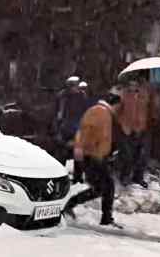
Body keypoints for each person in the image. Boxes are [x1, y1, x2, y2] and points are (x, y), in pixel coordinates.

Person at [62, 90, 123, 228]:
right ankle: (104, 218)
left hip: (96, 156)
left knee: (102, 188)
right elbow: (86, 131)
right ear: (114, 103)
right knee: (106, 187)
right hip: (92, 156)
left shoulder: (105, 113)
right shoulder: (99, 112)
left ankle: (71, 204)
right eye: (119, 106)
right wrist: (84, 150)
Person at [118, 72, 160, 188]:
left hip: (143, 127)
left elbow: (153, 107)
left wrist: (153, 118)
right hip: (127, 128)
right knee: (127, 155)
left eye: (136, 83)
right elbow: (117, 108)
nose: (134, 85)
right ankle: (125, 176)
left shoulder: (147, 93)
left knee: (142, 155)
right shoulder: (123, 93)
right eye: (132, 83)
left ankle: (138, 177)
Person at [53, 76, 89, 168]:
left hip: (76, 128)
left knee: (78, 154)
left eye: (75, 85)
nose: (74, 88)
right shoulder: (62, 96)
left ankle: (78, 177)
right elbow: (58, 112)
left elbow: (85, 113)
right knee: (62, 154)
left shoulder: (82, 96)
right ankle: (60, 175)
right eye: (72, 86)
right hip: (65, 128)